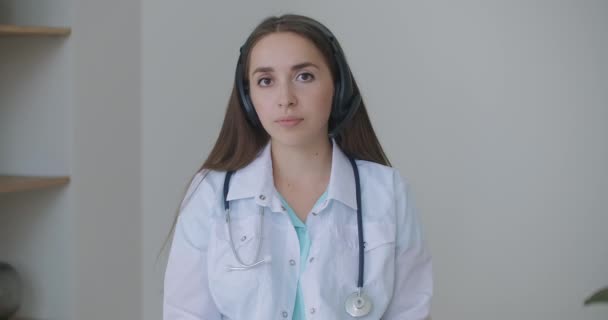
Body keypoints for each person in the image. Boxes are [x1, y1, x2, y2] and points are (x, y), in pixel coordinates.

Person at [163, 14, 433, 320]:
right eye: (265, 81)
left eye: (304, 76)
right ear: (248, 98)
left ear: (338, 87)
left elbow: (410, 312)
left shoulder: (388, 191)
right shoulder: (209, 193)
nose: (285, 99)